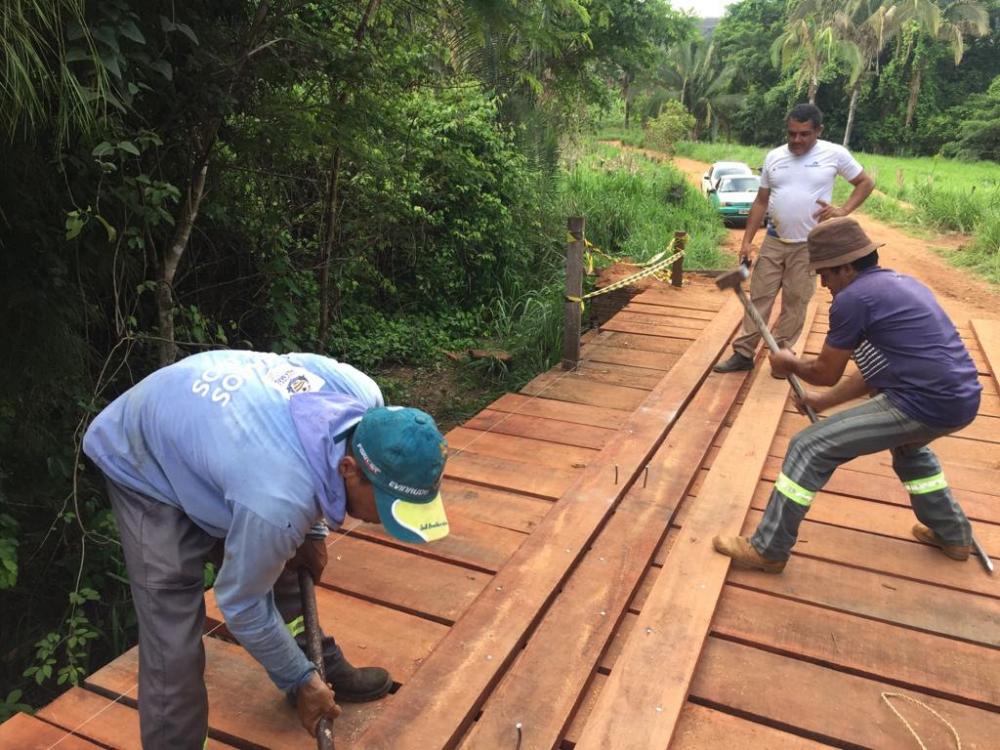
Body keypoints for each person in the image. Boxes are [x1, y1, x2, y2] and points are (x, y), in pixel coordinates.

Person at [82, 350, 451, 747]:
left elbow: (289, 369)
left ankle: (317, 665)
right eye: (387, 505)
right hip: (142, 453)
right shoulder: (277, 500)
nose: (387, 521)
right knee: (172, 632)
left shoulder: (363, 396)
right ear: (349, 469)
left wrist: (313, 533)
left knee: (282, 556)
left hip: (219, 439)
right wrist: (296, 678)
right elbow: (240, 604)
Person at [713, 217, 981, 572]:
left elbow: (825, 372)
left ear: (847, 268)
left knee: (808, 446)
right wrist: (824, 402)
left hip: (921, 402)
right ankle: (954, 535)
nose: (823, 284)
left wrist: (789, 362)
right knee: (910, 449)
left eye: (825, 274)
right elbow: (874, 372)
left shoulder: (853, 299)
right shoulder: (901, 285)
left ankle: (768, 549)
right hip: (962, 398)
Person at [714, 103, 875, 374]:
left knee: (796, 301)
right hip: (774, 240)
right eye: (791, 134)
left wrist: (843, 210)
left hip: (810, 246)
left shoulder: (834, 154)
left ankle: (782, 357)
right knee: (760, 296)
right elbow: (761, 201)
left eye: (804, 134)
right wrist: (747, 240)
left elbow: (865, 183)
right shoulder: (774, 157)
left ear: (818, 131)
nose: (796, 140)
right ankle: (743, 354)